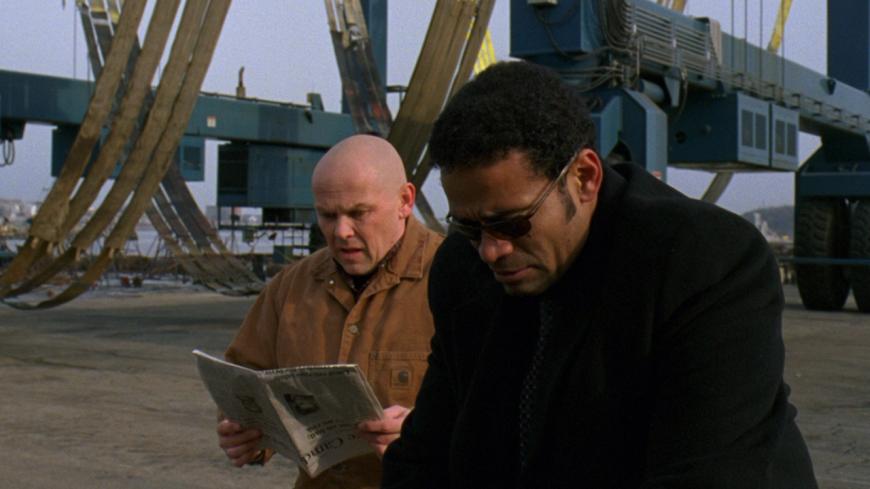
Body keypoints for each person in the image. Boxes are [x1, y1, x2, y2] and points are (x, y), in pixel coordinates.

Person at [381, 61, 818, 488]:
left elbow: (709, 474)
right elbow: (425, 454)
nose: (491, 250)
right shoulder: (462, 268)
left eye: (512, 223)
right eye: (469, 227)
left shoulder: (702, 263)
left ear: (584, 178)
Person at [217, 134, 443, 489]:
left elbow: (503, 414)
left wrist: (427, 432)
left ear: (405, 201)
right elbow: (242, 378)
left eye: (359, 213)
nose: (341, 231)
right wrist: (244, 432)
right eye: (327, 215)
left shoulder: (456, 281)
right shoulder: (290, 287)